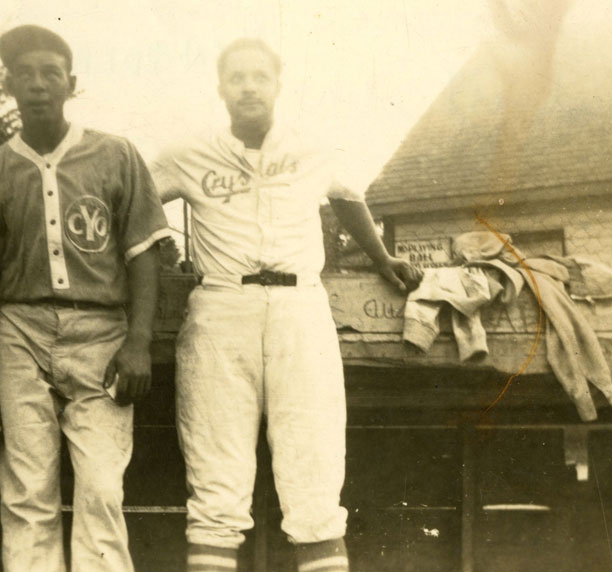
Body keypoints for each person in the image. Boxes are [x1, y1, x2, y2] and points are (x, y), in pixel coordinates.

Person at [150, 38, 422, 572]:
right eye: (237, 77)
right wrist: (160, 248)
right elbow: (131, 199)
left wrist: (383, 257)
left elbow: (347, 197)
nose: (249, 86)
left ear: (278, 84)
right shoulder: (187, 151)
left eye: (259, 76)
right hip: (222, 305)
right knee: (216, 477)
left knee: (315, 471)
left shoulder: (311, 144)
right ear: (220, 88)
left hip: (300, 307)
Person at [0, 25, 171, 572]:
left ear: (70, 83)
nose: (37, 85)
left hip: (101, 333)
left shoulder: (115, 154)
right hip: (21, 332)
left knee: (101, 488)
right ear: (9, 85)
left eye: (50, 74)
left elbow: (144, 254)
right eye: (24, 75)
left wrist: (139, 342)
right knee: (28, 492)